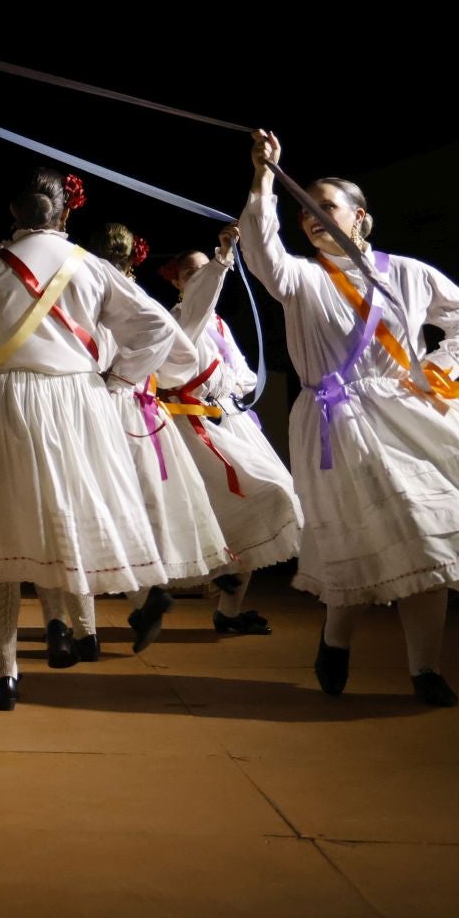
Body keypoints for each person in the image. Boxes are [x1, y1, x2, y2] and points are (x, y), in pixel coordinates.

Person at [239, 131, 459, 706]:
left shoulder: (410, 273)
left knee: (426, 540)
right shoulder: (301, 277)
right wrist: (265, 177)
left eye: (326, 207)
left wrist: (436, 369)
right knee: (369, 540)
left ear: (360, 217)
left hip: (410, 416)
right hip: (338, 424)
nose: (313, 218)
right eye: (306, 212)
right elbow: (260, 248)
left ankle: (424, 670)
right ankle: (337, 639)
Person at [0, 169, 174, 708]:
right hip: (81, 399)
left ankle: (5, 674)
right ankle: (141, 593)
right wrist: (119, 379)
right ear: (67, 213)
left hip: (9, 402)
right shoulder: (91, 268)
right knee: (89, 508)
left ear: (13, 212)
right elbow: (158, 329)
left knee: (0, 534)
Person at [90, 222, 235, 651]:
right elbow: (183, 354)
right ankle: (174, 582)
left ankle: (100, 619)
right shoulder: (143, 301)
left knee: (103, 503)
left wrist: (117, 377)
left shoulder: (91, 295)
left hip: (103, 403)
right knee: (151, 500)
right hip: (144, 407)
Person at [160, 227, 303, 633]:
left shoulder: (219, 325)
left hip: (231, 422)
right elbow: (201, 302)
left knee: (266, 499)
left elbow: (239, 374)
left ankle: (229, 610)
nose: (199, 278)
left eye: (203, 271)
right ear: (176, 280)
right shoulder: (180, 319)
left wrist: (236, 388)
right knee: (238, 503)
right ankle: (206, 583)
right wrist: (221, 261)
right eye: (190, 273)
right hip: (195, 427)